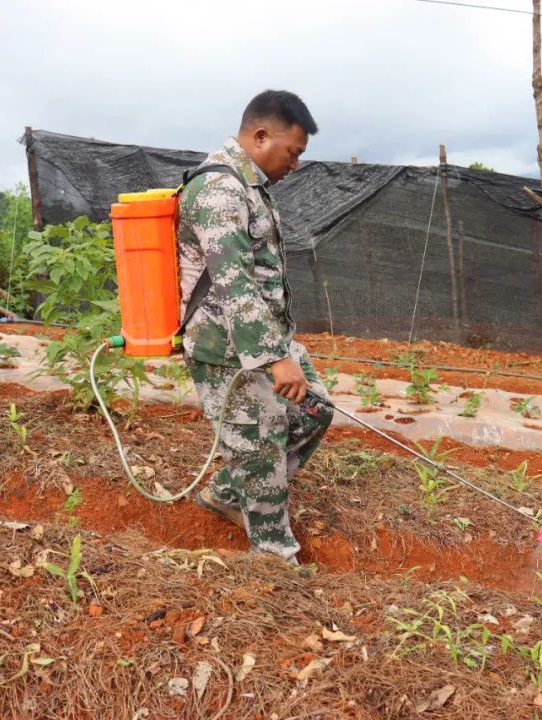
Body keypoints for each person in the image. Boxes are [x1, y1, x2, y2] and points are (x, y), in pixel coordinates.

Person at [177, 90, 333, 565]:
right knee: (261, 452)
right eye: (294, 152)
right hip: (227, 350)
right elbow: (234, 283)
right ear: (261, 135)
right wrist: (274, 358)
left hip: (263, 340)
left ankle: (228, 491)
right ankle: (275, 560)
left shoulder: (249, 186)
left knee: (314, 411)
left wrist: (278, 348)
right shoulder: (219, 191)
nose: (296, 164)